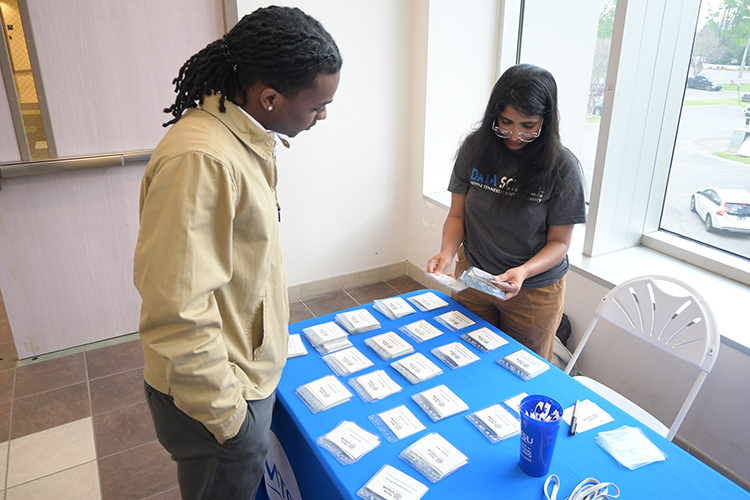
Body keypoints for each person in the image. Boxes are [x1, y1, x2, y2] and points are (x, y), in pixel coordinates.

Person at [133, 6, 342, 499]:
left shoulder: (243, 138)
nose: (323, 116)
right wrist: (230, 420)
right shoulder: (202, 159)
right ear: (269, 98)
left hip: (239, 376)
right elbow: (177, 312)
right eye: (316, 106)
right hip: (216, 403)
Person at [427, 63, 586, 361]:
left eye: (528, 126)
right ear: (494, 115)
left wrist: (523, 272)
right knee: (464, 358)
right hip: (474, 277)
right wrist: (447, 252)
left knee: (520, 370)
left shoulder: (563, 167)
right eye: (506, 122)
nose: (514, 135)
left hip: (532, 291)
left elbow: (560, 243)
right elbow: (458, 215)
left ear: (546, 121)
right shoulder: (476, 148)